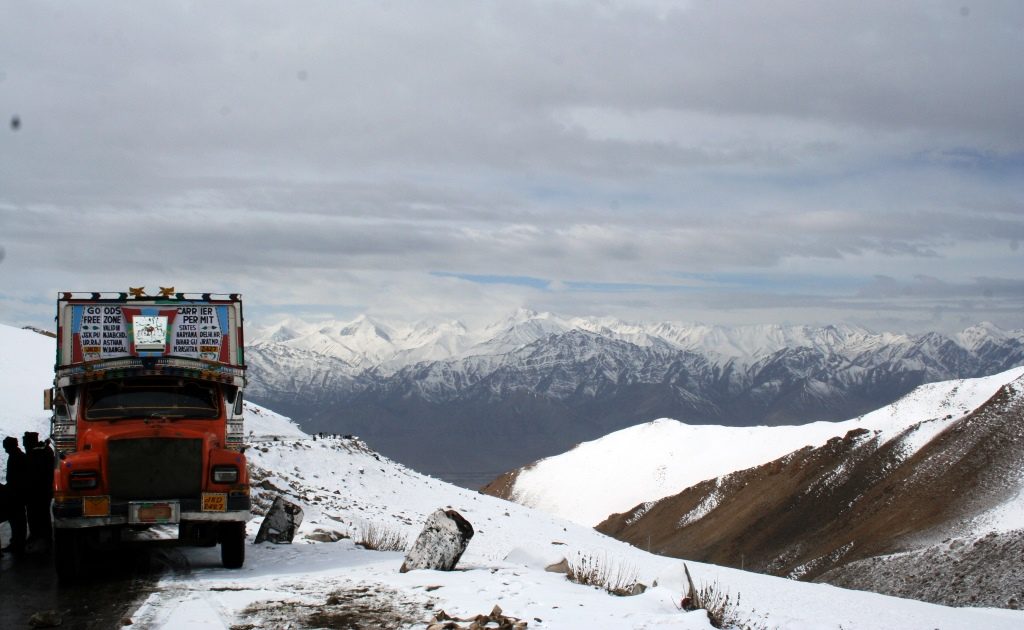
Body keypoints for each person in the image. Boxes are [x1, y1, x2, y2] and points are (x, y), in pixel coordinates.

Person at [23, 432, 54, 549]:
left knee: (40, 514)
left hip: (40, 490)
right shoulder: (42, 451)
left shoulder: (39, 453)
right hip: (39, 490)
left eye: (26, 443)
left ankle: (44, 537)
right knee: (39, 514)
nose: (25, 446)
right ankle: (41, 536)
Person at [2, 436, 28, 555]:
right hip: (17, 493)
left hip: (16, 494)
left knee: (17, 520)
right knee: (17, 520)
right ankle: (17, 543)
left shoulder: (16, 457)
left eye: (6, 447)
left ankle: (18, 543)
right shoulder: (17, 456)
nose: (5, 449)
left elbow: (16, 479)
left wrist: (8, 488)